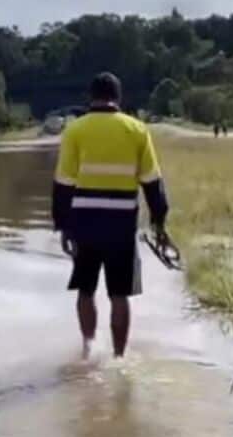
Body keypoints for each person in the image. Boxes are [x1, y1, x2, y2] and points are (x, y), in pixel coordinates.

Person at [52, 72, 169, 358]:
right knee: (119, 294)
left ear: (90, 97)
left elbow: (63, 184)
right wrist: (159, 221)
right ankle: (119, 357)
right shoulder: (137, 129)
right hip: (121, 223)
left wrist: (63, 226)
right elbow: (152, 181)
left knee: (85, 290)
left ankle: (88, 347)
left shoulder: (75, 131)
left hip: (85, 222)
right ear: (118, 97)